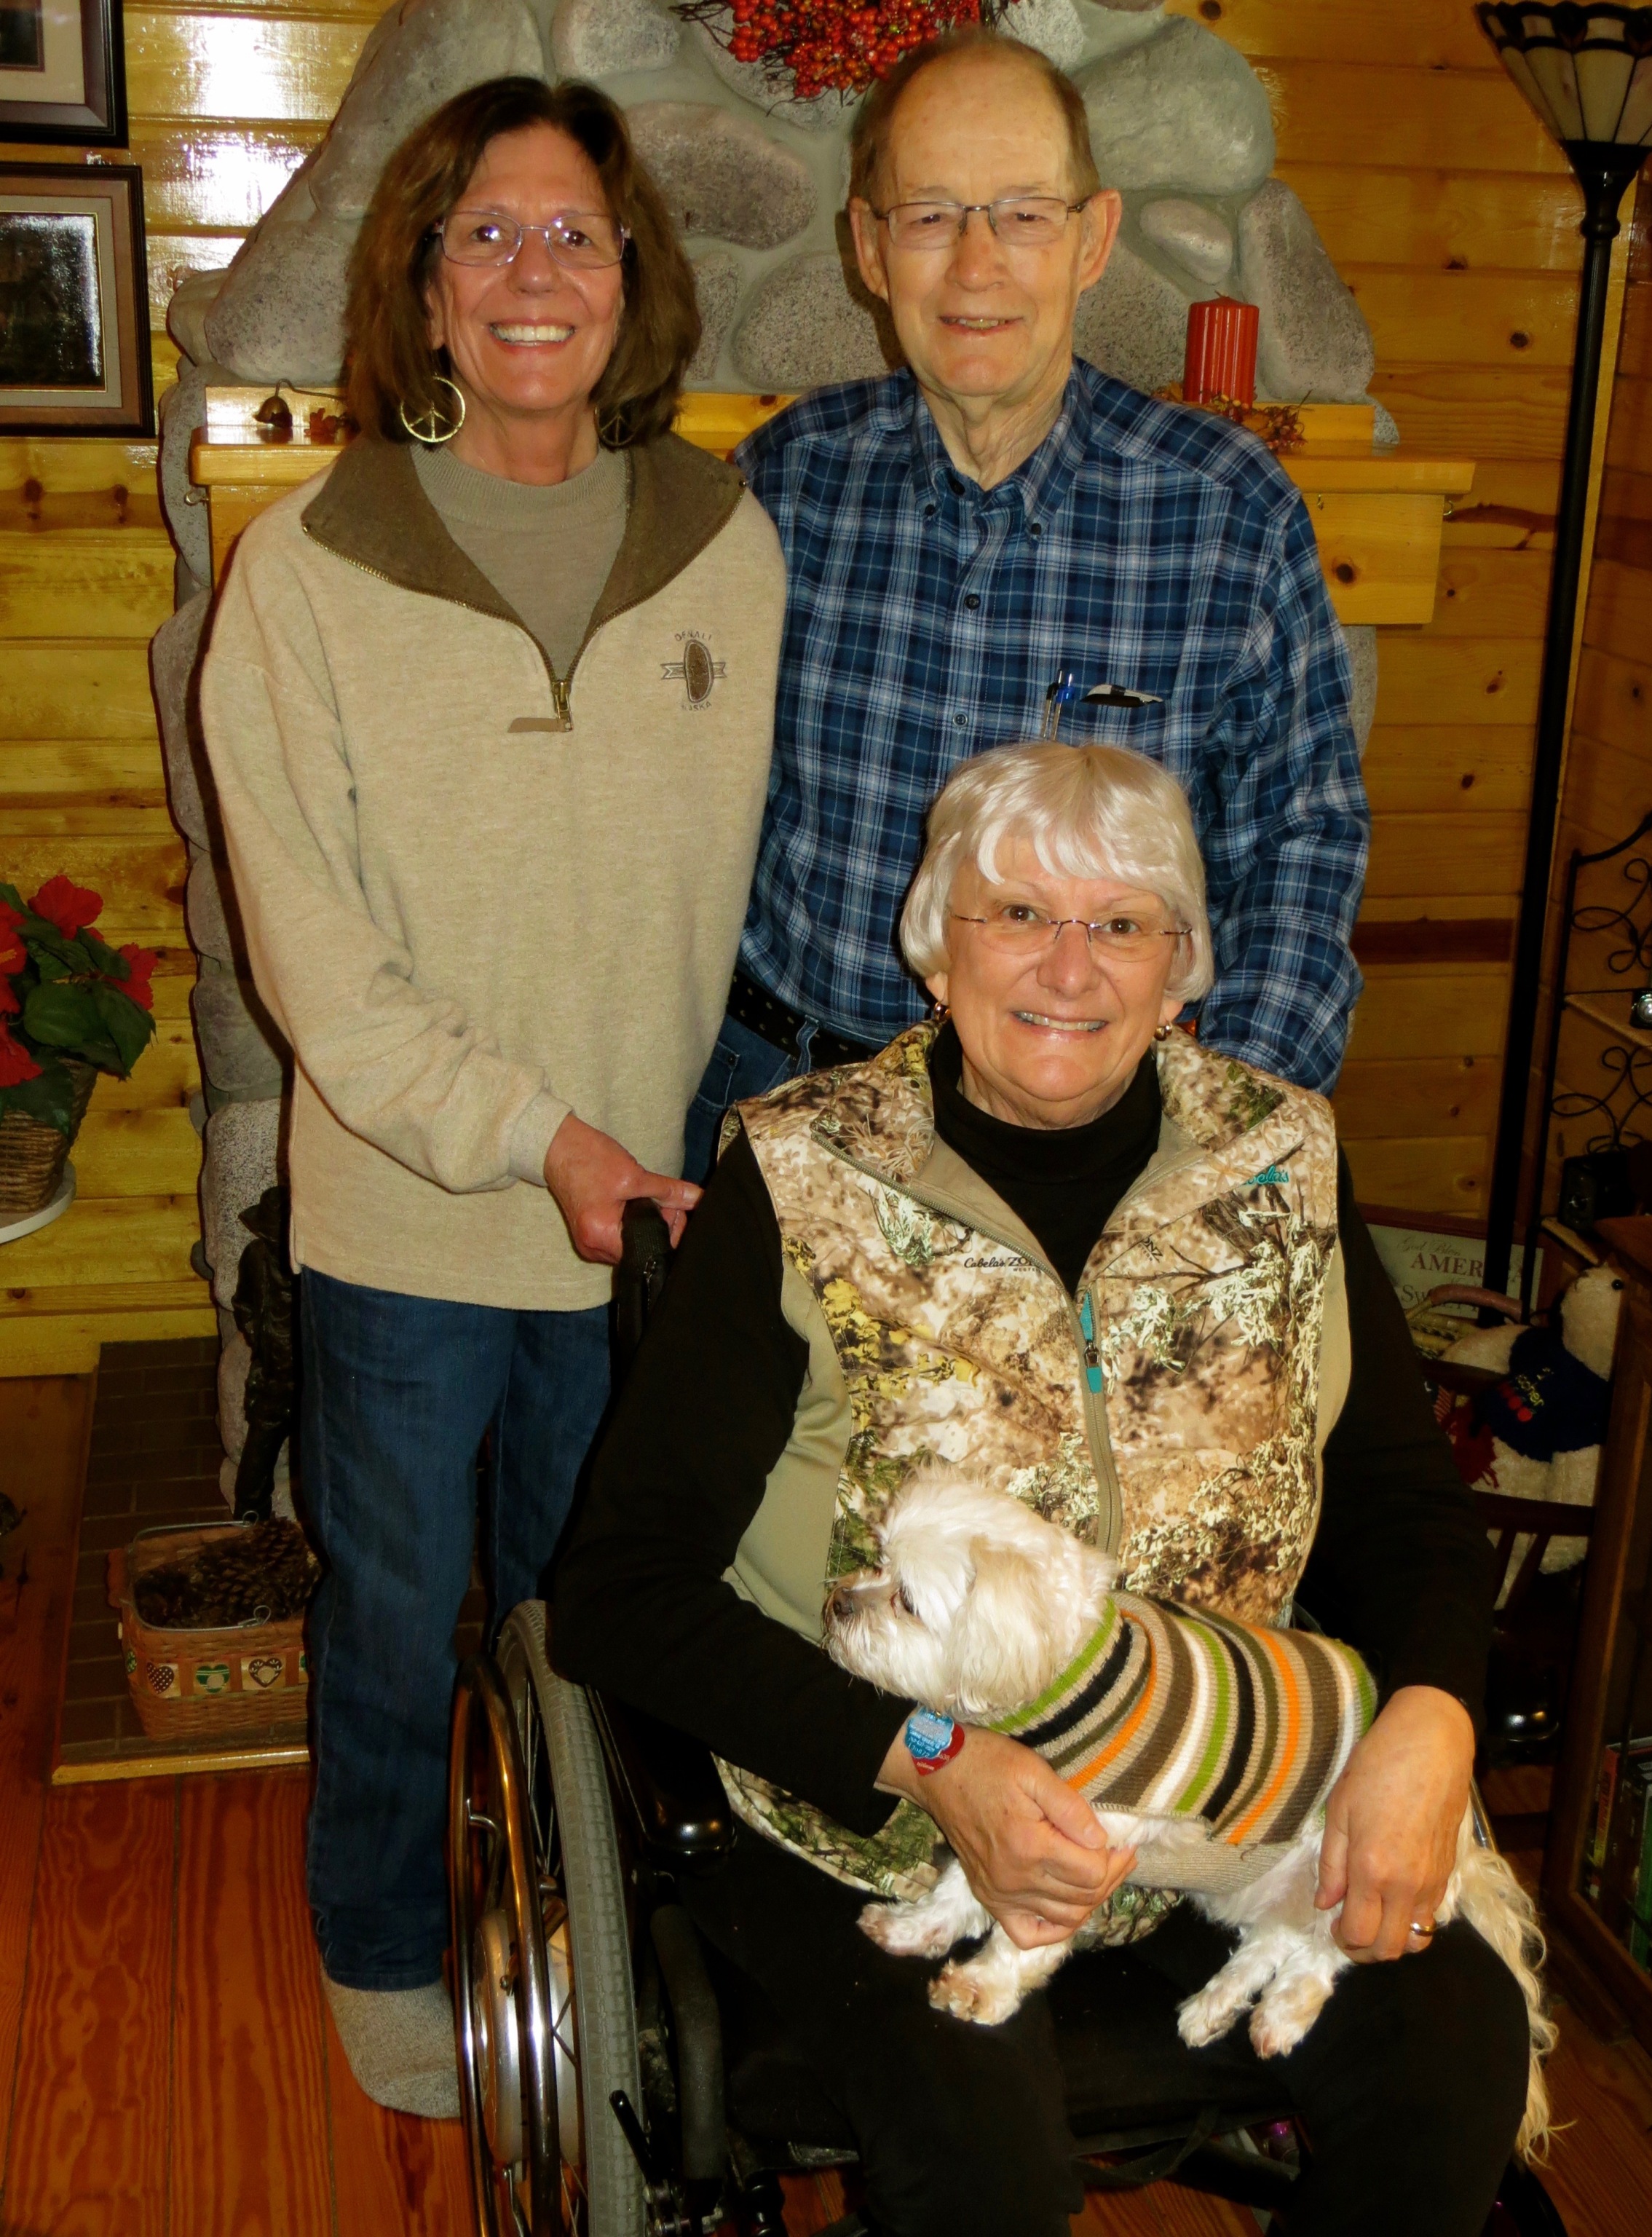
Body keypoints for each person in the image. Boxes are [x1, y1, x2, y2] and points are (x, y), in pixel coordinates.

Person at [556, 740, 1529, 2237]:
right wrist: (936, 1758)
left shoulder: (1281, 1165)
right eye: (1016, 914)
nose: (1069, 967)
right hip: (880, 1827)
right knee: (989, 2178)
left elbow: (1404, 1503)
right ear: (938, 948)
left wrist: (1431, 1721)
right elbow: (619, 1596)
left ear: (1179, 967)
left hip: (1225, 1799)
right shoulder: (803, 1177)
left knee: (1456, 2057)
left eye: (1122, 923)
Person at [199, 75, 785, 2115]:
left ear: (634, 283)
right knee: (392, 1619)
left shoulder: (730, 545)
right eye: (488, 235)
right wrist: (542, 1142)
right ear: (425, 290)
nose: (535, 271)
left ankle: (584, 1939)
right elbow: (322, 981)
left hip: (644, 1228)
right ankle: (380, 1950)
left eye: (576, 235)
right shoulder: (309, 571)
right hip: (419, 1219)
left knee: (590, 1618)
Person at [684, 25, 1368, 1181]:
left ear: (1094, 238)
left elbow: (1305, 845)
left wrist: (1211, 1136)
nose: (976, 265)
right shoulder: (782, 485)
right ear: (868, 245)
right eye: (932, 215)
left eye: (1023, 214)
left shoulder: (1227, 513)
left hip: (1087, 1139)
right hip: (785, 1105)